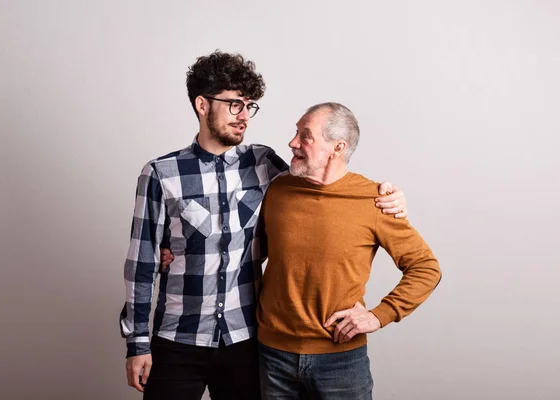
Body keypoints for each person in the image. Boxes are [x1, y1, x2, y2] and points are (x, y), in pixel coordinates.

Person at [119, 51, 407, 400]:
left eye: (249, 106)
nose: (244, 116)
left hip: (247, 341)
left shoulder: (264, 163)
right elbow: (142, 263)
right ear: (202, 105)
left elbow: (319, 184)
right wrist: (137, 343)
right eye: (234, 104)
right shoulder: (161, 174)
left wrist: (385, 195)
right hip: (178, 338)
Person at [256, 102, 441, 400]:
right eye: (295, 133)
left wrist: (380, 315)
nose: (292, 143)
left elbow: (425, 267)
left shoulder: (374, 199)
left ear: (337, 147)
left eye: (306, 136)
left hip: (340, 360)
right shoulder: (276, 189)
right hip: (273, 357)